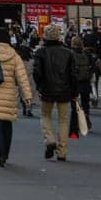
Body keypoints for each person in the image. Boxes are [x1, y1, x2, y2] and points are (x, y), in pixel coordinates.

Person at [0, 26, 35, 167]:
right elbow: (22, 77)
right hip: (9, 93)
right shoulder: (14, 56)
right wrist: (27, 96)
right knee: (7, 125)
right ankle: (5, 153)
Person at [31, 24, 78, 161]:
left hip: (47, 89)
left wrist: (40, 86)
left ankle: (49, 139)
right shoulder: (68, 52)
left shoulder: (40, 52)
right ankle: (62, 151)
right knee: (63, 120)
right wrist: (75, 91)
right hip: (65, 90)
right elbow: (73, 74)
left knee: (45, 115)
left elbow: (37, 72)